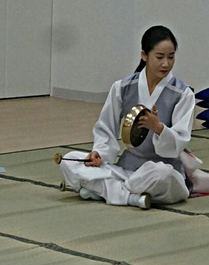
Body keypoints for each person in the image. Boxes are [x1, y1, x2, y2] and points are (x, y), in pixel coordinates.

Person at [58, 25, 195, 209]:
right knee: (70, 159)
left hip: (160, 170)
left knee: (163, 174)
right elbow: (106, 128)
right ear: (144, 55)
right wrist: (100, 154)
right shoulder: (122, 87)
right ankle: (131, 197)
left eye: (171, 57)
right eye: (159, 57)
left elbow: (180, 141)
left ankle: (105, 191)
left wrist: (159, 128)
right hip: (127, 168)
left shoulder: (182, 93)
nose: (166, 64)